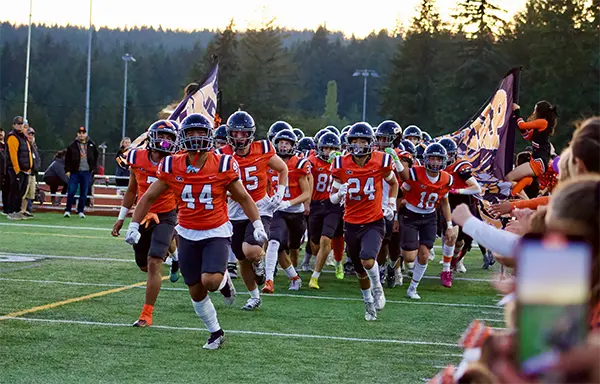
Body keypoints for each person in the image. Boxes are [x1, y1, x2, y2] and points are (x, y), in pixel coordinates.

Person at [124, 113, 267, 350]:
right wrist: (133, 224)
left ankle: (223, 283)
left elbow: (243, 197)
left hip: (216, 231)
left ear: (210, 136)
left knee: (210, 280)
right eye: (191, 133)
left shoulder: (222, 163)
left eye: (201, 132)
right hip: (187, 232)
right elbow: (148, 195)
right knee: (195, 289)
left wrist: (258, 224)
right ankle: (216, 332)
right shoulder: (171, 164)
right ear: (182, 137)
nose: (197, 138)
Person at [216, 111, 288, 311]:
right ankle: (254, 296)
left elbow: (283, 169)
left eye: (243, 133)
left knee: (252, 251)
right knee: (241, 258)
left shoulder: (263, 148)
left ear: (251, 133)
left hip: (260, 206)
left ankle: (260, 262)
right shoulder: (222, 155)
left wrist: (280, 193)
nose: (239, 138)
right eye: (235, 134)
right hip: (234, 209)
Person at [112, 120, 180, 327]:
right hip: (142, 214)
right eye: (163, 136)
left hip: (166, 214)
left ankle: (146, 314)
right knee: (143, 265)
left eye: (170, 138)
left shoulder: (175, 161)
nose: (166, 142)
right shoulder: (136, 157)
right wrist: (121, 218)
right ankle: (175, 255)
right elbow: (132, 189)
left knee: (153, 263)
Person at [329, 122, 400, 321]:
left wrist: (391, 204)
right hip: (350, 222)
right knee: (360, 271)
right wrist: (338, 194)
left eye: (362, 140)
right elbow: (332, 196)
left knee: (368, 258)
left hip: (373, 221)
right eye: (355, 141)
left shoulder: (381, 161)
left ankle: (378, 288)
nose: (358, 144)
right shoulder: (341, 164)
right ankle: (368, 303)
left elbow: (393, 183)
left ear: (371, 143)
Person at [400, 142, 456, 299]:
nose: (435, 163)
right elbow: (401, 192)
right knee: (409, 257)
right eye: (432, 159)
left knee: (424, 254)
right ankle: (396, 261)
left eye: (438, 159)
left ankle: (413, 287)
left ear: (444, 161)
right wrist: (396, 213)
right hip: (410, 214)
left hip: (430, 216)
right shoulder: (415, 173)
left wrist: (449, 225)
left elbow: (445, 202)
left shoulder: (446, 179)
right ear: (425, 160)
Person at [263, 129, 310, 293]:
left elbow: (307, 193)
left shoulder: (299, 164)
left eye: (287, 143)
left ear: (293, 145)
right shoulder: (269, 162)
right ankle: (269, 280)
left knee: (293, 246)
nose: (283, 146)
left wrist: (289, 202)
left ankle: (295, 277)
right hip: (277, 210)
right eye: (281, 142)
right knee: (275, 242)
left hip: (295, 212)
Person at [438, 137, 481, 277]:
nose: (446, 158)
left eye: (449, 155)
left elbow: (476, 188)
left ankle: (457, 260)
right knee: (452, 235)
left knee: (462, 240)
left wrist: (458, 190)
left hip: (464, 202)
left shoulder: (459, 167)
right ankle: (447, 268)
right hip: (447, 202)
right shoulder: (435, 165)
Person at [307, 132, 344, 288]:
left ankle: (315, 277)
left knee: (326, 239)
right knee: (315, 245)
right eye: (326, 148)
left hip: (333, 205)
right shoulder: (312, 161)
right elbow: (305, 171)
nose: (328, 151)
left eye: (332, 148)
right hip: (316, 205)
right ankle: (326, 261)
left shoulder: (342, 162)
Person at [505, 101, 558, 183]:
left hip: (538, 163)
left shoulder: (543, 122)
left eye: (535, 110)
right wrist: (516, 118)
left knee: (508, 178)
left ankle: (512, 195)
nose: (533, 112)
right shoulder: (539, 126)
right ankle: (517, 195)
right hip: (536, 161)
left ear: (539, 111)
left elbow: (522, 125)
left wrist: (517, 111)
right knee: (512, 179)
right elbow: (526, 136)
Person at [64, 126, 99, 218]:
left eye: (83, 133)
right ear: (77, 134)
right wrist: (67, 170)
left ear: (86, 134)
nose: (81, 135)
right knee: (71, 191)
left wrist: (93, 169)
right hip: (75, 172)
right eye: (80, 133)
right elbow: (67, 159)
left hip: (86, 172)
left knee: (84, 192)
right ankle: (68, 210)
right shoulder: (72, 146)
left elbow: (96, 156)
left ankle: (81, 211)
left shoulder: (91, 145)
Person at [5, 116, 32, 220]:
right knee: (15, 191)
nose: (20, 126)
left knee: (21, 192)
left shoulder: (23, 137)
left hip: (24, 170)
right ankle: (12, 211)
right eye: (18, 124)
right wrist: (17, 170)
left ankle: (17, 211)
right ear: (14, 125)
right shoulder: (13, 137)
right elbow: (13, 155)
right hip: (17, 170)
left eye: (22, 124)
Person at [20, 127, 40, 218]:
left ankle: (25, 210)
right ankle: (20, 210)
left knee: (30, 193)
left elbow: (37, 159)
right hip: (25, 172)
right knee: (23, 192)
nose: (31, 136)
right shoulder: (23, 145)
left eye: (32, 134)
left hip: (32, 173)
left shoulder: (34, 146)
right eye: (29, 134)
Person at [0, 128, 7, 215]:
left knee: (6, 190)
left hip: (5, 171)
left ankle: (6, 208)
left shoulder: (7, 145)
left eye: (1, 131)